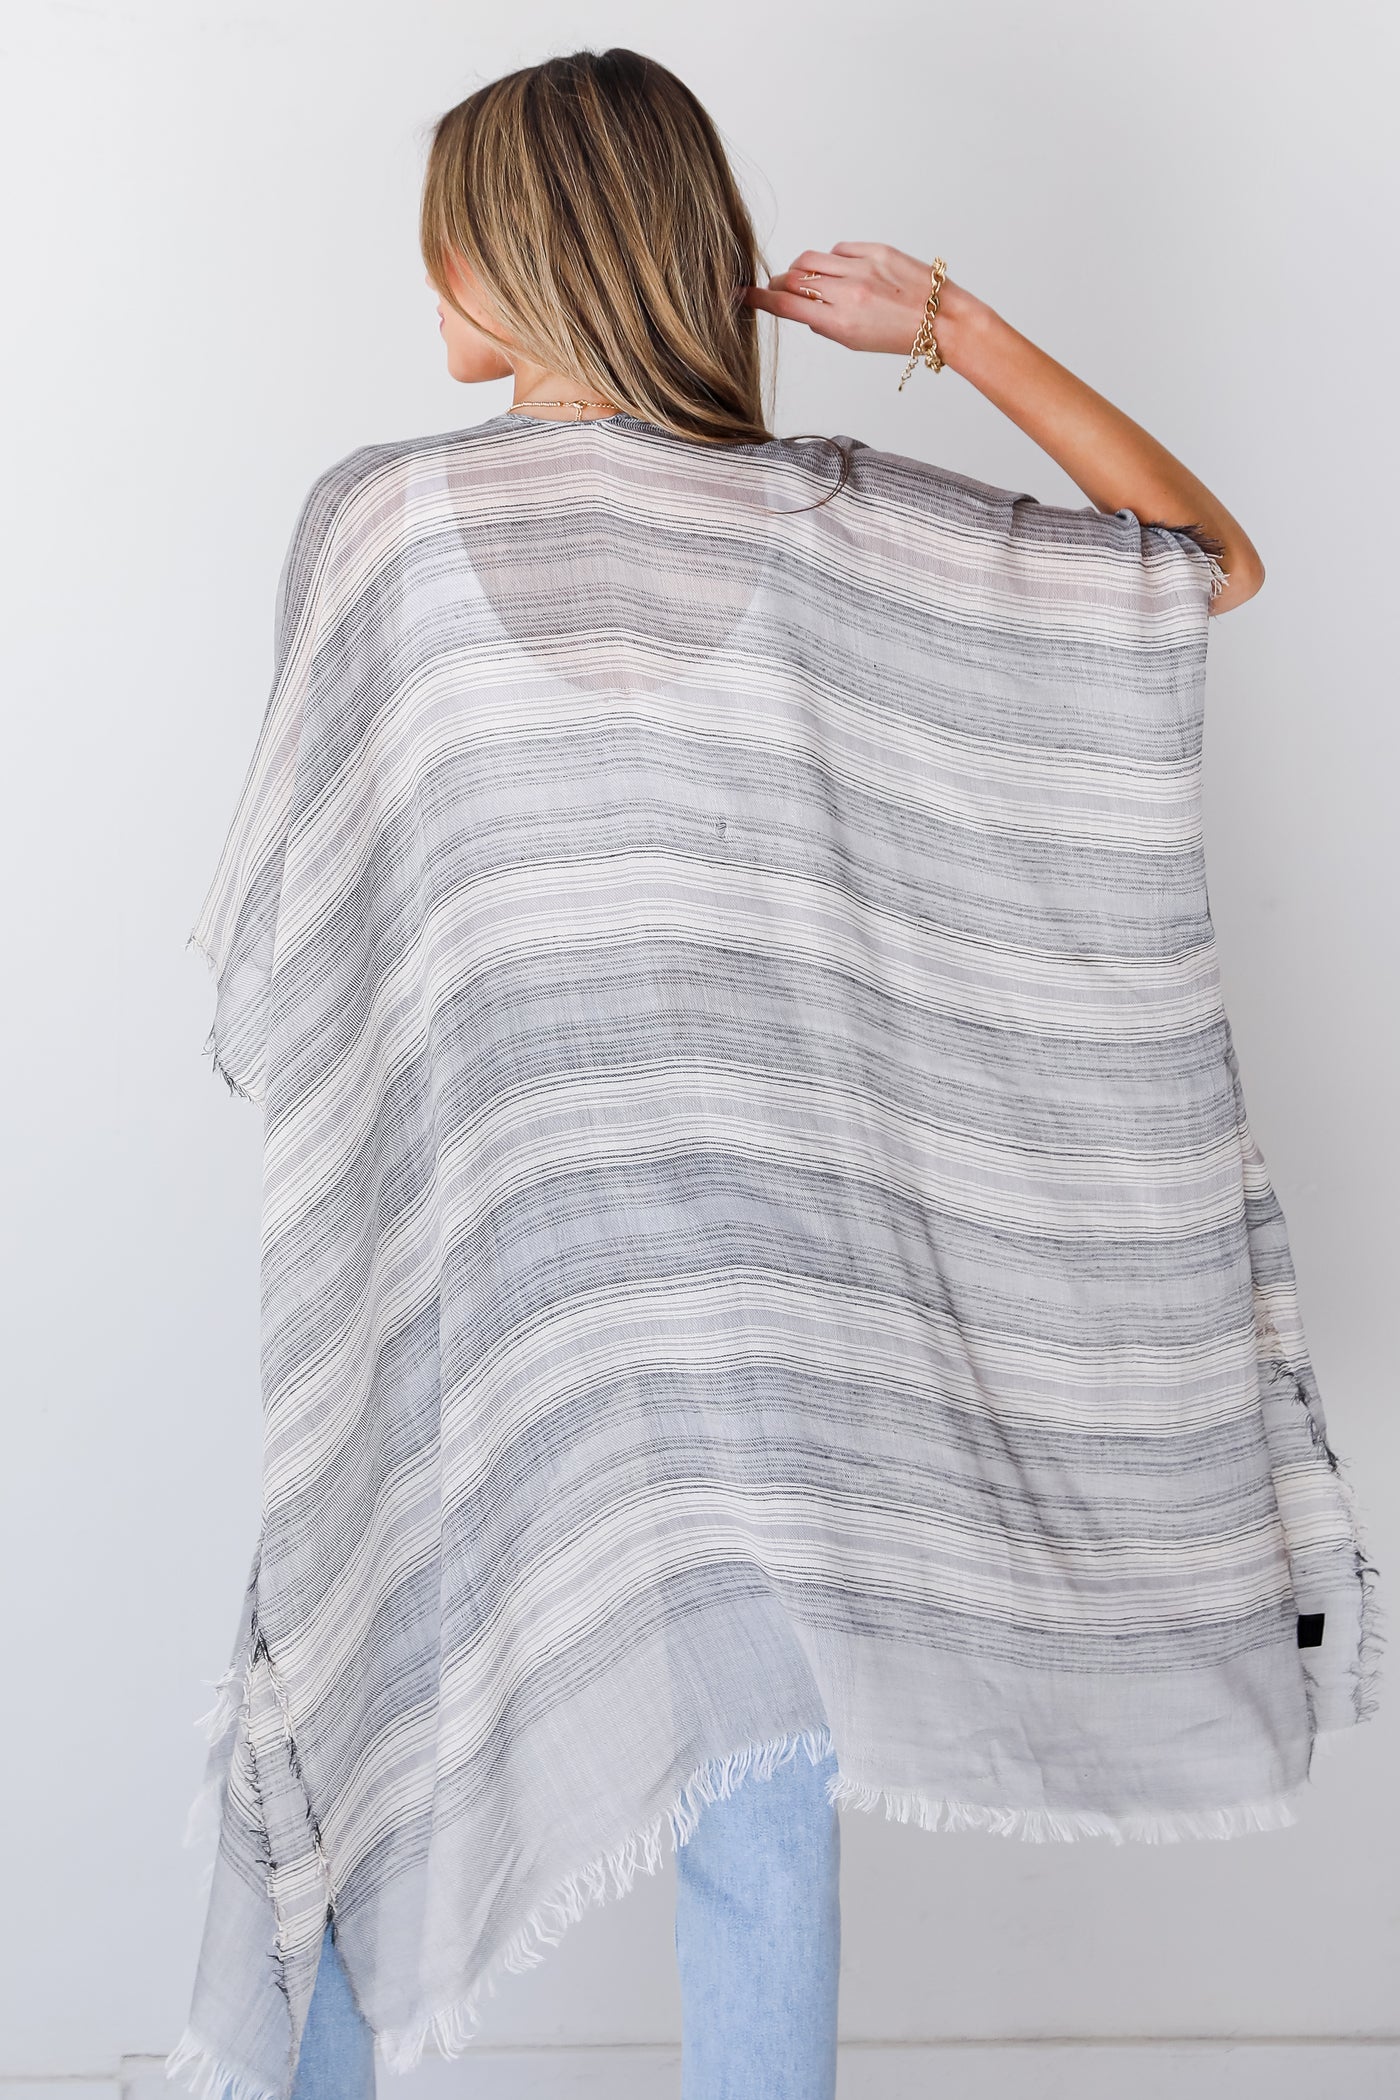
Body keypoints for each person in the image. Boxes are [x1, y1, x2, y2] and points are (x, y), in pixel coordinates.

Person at [173, 42, 1372, 2100]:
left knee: (385, 1683)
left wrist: (948, 321)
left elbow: (298, 943)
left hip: (538, 1271)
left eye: (449, 233)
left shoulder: (385, 524)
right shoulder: (810, 519)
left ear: (529, 252)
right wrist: (955, 332)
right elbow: (1198, 561)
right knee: (752, 1756)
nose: (425, 272)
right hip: (715, 1279)